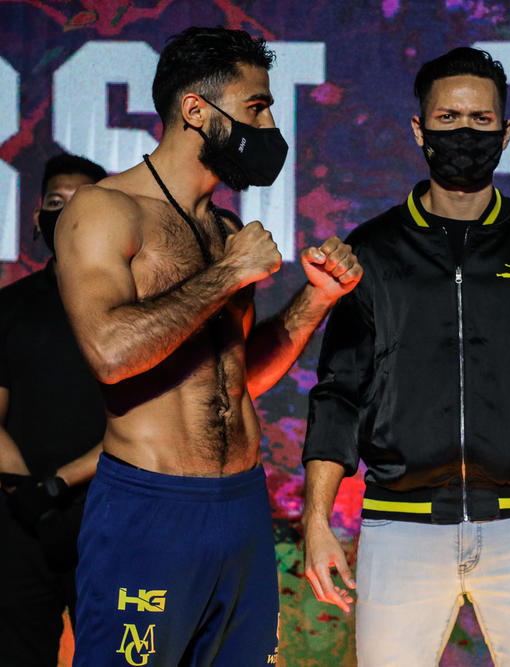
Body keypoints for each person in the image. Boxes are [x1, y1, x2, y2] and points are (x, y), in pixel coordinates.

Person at [301, 47, 510, 666]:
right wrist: (316, 519)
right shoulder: (371, 250)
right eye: (448, 119)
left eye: (481, 120)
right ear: (419, 129)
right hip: (400, 527)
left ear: (505, 133)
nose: (464, 133)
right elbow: (339, 393)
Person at [54, 27, 362, 666]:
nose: (270, 126)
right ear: (196, 110)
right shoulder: (104, 210)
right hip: (150, 509)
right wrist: (227, 274)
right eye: (257, 108)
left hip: (240, 507)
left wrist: (317, 299)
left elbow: (238, 377)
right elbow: (110, 353)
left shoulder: (224, 227)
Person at [0, 153, 107, 666]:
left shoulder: (135, 307)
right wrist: (33, 501)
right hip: (21, 523)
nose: (65, 213)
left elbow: (149, 422)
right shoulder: (10, 306)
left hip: (109, 518)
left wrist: (61, 484)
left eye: (81, 202)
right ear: (37, 217)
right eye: (55, 202)